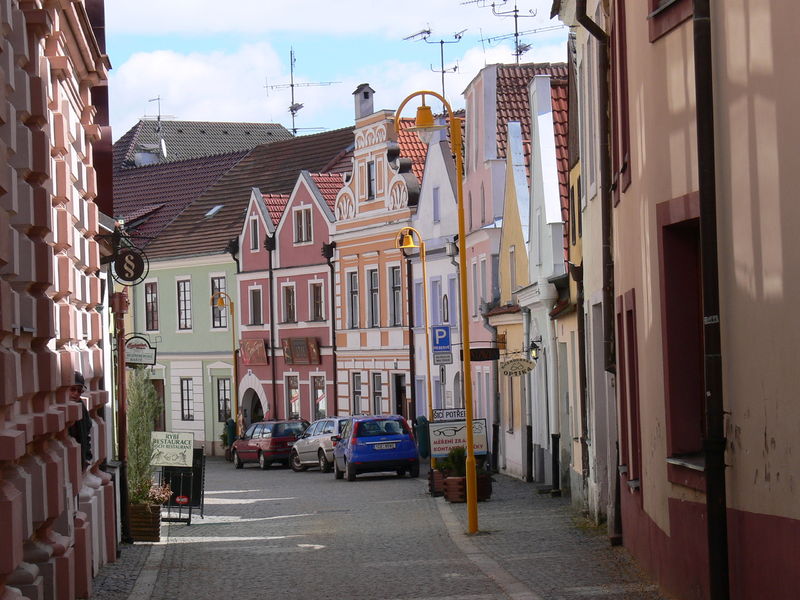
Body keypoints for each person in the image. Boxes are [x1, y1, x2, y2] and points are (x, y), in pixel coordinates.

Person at [69, 372, 93, 468]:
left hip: (79, 462)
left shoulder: (81, 407)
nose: (76, 393)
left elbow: (86, 432)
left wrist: (87, 457)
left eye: (79, 391)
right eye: (73, 389)